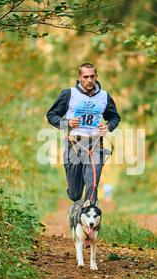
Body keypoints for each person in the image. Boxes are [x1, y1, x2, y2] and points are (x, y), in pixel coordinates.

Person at [46, 63, 121, 206]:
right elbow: (51, 115)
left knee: (92, 184)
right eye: (85, 77)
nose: (89, 80)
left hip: (95, 144)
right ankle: (77, 203)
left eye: (92, 76)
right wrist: (67, 123)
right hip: (74, 145)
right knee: (75, 193)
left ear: (96, 76)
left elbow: (114, 117)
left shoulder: (104, 96)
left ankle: (89, 221)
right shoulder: (69, 94)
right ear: (79, 77)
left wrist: (107, 127)